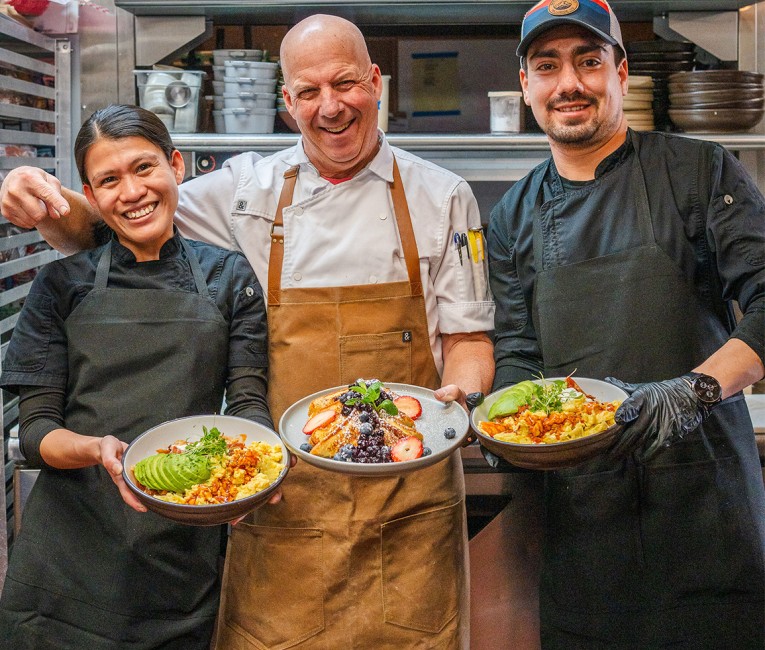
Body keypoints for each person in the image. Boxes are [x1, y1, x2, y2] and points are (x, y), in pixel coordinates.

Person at [0, 15, 495, 648]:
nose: (331, 106)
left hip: (407, 505)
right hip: (282, 501)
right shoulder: (242, 190)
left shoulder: (444, 196)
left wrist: (459, 399)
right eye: (308, 92)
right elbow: (113, 224)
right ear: (287, 103)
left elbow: (470, 341)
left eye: (346, 83)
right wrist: (33, 194)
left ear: (376, 83)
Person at [487, 0, 765, 647]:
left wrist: (689, 392)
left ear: (620, 72)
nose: (569, 84)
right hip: (583, 526)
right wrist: (494, 414)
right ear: (526, 85)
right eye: (547, 66)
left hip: (705, 512)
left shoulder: (700, 171)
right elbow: (520, 353)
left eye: (589, 62)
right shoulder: (510, 217)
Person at [0, 104, 272, 649]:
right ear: (92, 196)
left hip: (182, 559)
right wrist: (97, 449)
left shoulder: (229, 277)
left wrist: (256, 477)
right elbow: (34, 432)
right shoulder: (60, 285)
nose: (131, 192)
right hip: (65, 568)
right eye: (109, 180)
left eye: (144, 168)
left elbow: (246, 404)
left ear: (176, 166)